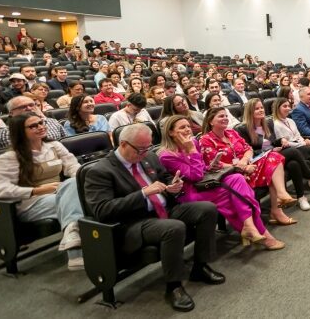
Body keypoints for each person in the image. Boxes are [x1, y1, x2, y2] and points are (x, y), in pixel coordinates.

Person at [82, 124, 225, 312]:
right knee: (173, 228)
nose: (145, 153)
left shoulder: (148, 156)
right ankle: (173, 286)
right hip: (136, 221)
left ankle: (200, 266)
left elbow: (165, 177)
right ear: (123, 144)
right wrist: (142, 194)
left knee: (208, 209)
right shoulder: (100, 171)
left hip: (164, 208)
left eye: (148, 147)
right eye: (140, 149)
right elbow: (102, 210)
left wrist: (173, 186)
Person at [158, 116, 285, 249]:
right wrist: (191, 151)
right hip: (190, 191)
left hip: (205, 182)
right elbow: (194, 176)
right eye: (182, 127)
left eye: (188, 126)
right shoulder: (167, 155)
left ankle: (249, 226)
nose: (187, 130)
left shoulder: (192, 143)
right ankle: (262, 234)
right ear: (171, 132)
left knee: (237, 178)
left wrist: (210, 166)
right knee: (235, 195)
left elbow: (201, 169)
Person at [0, 113, 84, 270]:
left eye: (41, 123)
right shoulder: (10, 158)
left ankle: (73, 240)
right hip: (31, 203)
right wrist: (36, 190)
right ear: (20, 131)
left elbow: (73, 166)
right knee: (76, 199)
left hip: (60, 194)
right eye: (33, 126)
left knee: (75, 184)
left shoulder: (55, 146)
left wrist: (82, 178)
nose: (40, 127)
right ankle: (76, 251)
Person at [198, 107, 297, 226]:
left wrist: (244, 160)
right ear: (210, 121)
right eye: (220, 116)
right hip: (231, 175)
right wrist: (242, 167)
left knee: (274, 157)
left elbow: (248, 148)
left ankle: (281, 196)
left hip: (248, 166)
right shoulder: (205, 139)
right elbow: (214, 163)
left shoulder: (232, 133)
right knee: (273, 169)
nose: (225, 118)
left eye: (225, 116)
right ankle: (276, 210)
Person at [239, 98, 310, 211]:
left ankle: (301, 197)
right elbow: (249, 150)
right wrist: (271, 151)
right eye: (256, 109)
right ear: (250, 112)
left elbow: (272, 142)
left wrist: (280, 141)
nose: (260, 110)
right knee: (292, 151)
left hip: (273, 156)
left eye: (261, 108)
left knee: (294, 164)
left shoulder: (268, 123)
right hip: (260, 160)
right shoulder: (243, 129)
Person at [0, 97, 68, 147]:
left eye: (31, 105)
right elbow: (18, 154)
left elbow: (66, 142)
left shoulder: (52, 121)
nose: (29, 108)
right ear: (11, 113)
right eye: (22, 107)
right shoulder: (6, 132)